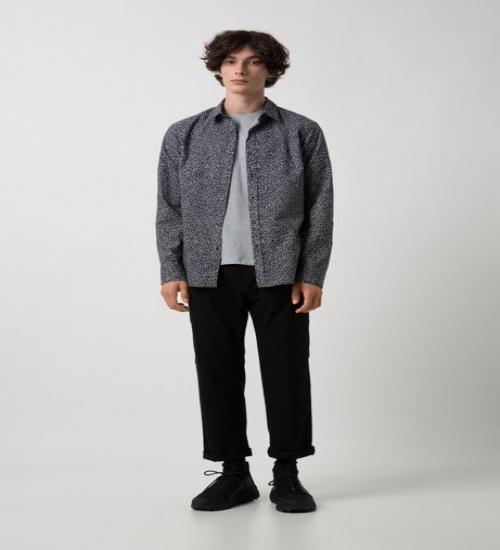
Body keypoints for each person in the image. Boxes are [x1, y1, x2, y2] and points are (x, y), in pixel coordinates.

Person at [156, 30, 334, 513]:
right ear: (217, 67)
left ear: (270, 70)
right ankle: (233, 473)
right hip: (207, 273)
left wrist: (312, 272)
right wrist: (171, 268)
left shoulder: (301, 132)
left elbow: (320, 206)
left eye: (253, 61)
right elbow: (169, 207)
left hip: (281, 272)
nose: (240, 69)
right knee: (216, 372)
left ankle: (287, 474)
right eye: (231, 60)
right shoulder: (184, 134)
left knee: (286, 372)